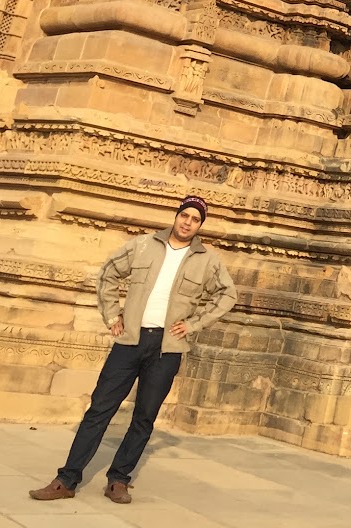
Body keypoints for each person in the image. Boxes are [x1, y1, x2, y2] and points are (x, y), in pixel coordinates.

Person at [29, 195, 237, 505]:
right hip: (129, 342)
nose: (187, 222)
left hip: (166, 349)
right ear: (176, 216)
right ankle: (67, 479)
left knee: (144, 417)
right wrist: (112, 316)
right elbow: (108, 273)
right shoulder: (143, 245)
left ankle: (119, 480)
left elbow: (227, 295)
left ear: (200, 225)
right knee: (99, 410)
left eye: (195, 219)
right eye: (184, 216)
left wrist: (194, 325)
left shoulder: (208, 260)